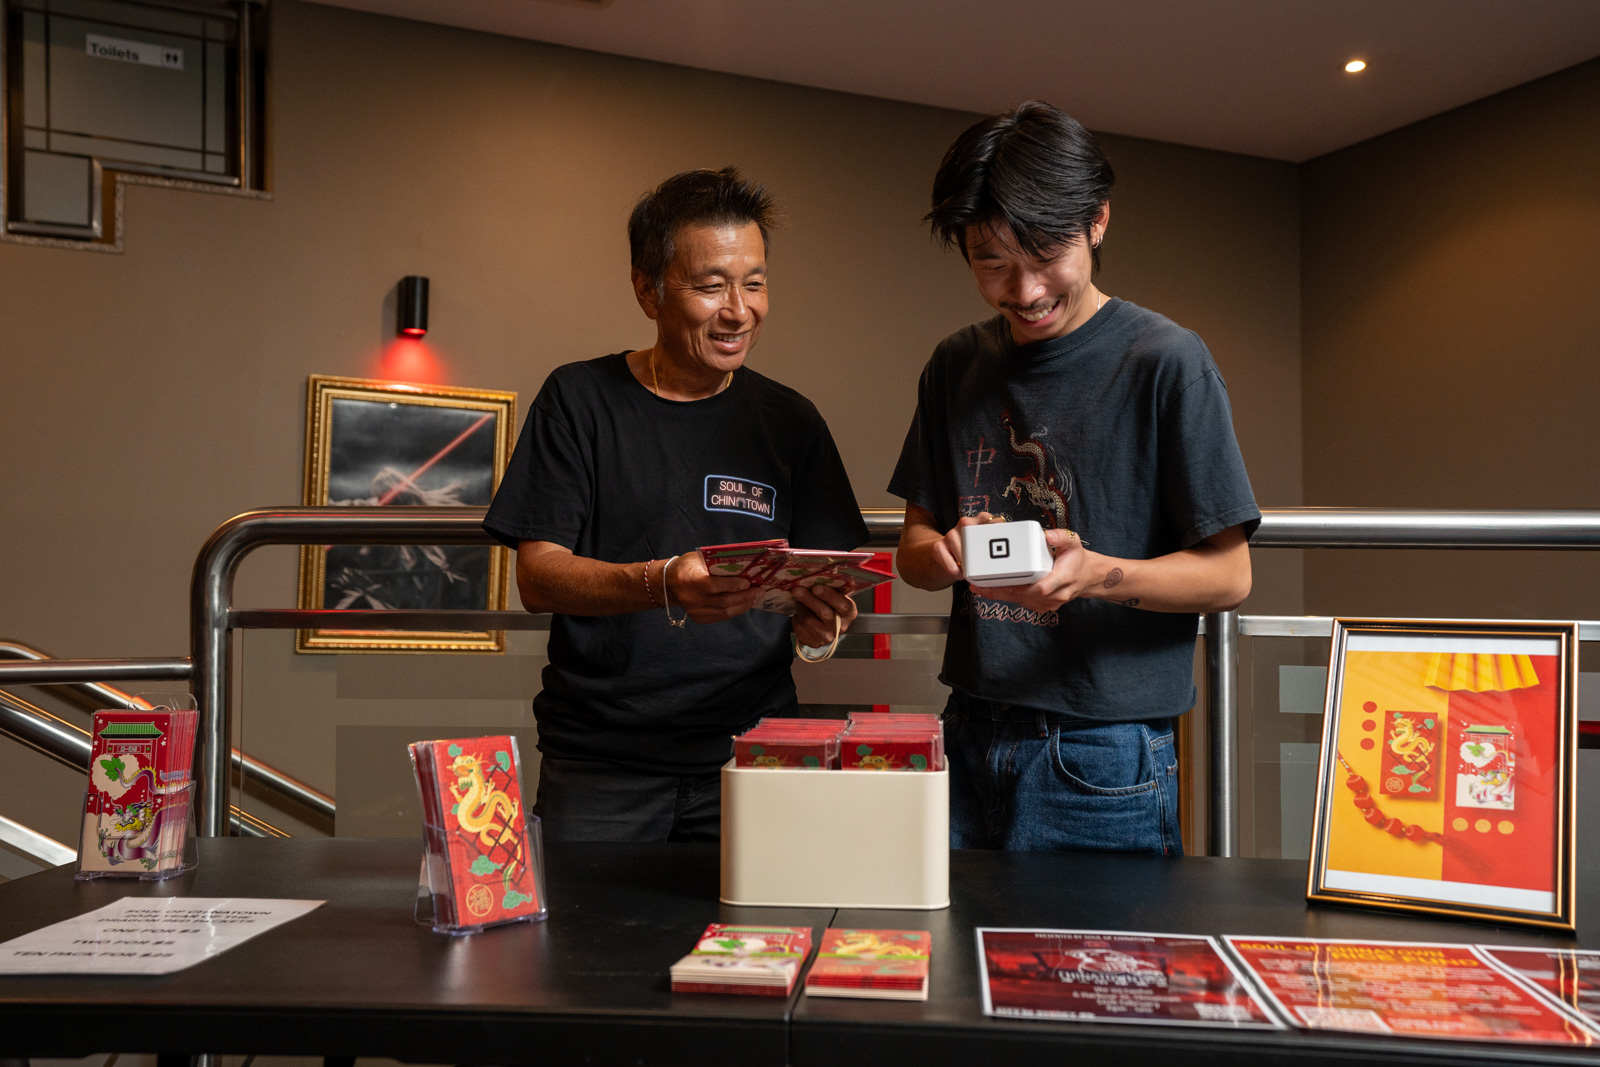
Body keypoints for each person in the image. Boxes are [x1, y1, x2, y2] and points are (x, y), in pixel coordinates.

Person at [890, 102, 1259, 854]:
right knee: (960, 961)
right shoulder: (955, 363)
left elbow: (1230, 575)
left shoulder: (1166, 360)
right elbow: (914, 549)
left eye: (1045, 253)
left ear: (1097, 220)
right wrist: (949, 554)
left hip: (1106, 747)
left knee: (1100, 968)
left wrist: (1093, 574)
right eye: (990, 262)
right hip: (968, 724)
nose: (1023, 291)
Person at [484, 168, 868, 843]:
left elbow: (829, 586)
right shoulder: (579, 399)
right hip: (599, 767)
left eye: (754, 282)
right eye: (711, 285)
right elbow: (537, 575)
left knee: (753, 949)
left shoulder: (791, 421)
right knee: (586, 952)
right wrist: (664, 580)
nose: (738, 309)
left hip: (753, 760)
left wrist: (821, 626)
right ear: (647, 288)